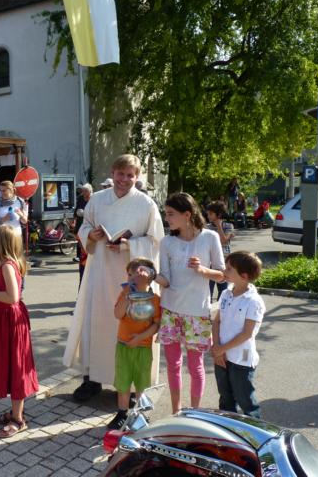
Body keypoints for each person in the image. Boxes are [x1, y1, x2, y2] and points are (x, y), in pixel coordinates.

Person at [63, 154, 164, 402]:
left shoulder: (146, 204)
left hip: (133, 277)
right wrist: (91, 235)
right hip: (100, 272)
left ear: (137, 177)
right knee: (96, 323)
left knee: (133, 324)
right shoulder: (97, 199)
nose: (124, 179)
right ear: (113, 172)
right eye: (121, 174)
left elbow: (155, 241)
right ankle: (92, 379)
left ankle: (132, 385)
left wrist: (130, 244)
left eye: (130, 175)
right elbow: (84, 226)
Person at [154, 192, 225, 414]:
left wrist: (203, 270)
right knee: (173, 365)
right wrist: (150, 274)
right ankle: (176, 412)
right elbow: (165, 280)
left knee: (196, 366)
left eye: (170, 214)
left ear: (187, 214)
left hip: (197, 312)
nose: (166, 218)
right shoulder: (166, 242)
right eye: (166, 214)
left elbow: (222, 275)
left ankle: (194, 413)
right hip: (170, 311)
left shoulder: (210, 237)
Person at [0, 224, 38, 438]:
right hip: (8, 320)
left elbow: (12, 297)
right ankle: (15, 412)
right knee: (12, 365)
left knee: (15, 367)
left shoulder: (6, 265)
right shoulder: (12, 262)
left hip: (10, 323)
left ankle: (18, 419)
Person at [107, 258, 160, 430]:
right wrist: (126, 295)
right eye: (129, 275)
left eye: (135, 275)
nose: (130, 278)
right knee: (123, 382)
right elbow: (117, 314)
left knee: (141, 383)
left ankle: (140, 414)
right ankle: (122, 414)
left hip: (143, 348)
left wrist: (140, 338)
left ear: (147, 277)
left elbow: (156, 325)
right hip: (123, 346)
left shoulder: (155, 299)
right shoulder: (125, 295)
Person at [212, 251, 265, 419]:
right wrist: (217, 348)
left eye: (229, 269)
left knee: (245, 400)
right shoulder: (226, 294)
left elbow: (247, 333)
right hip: (222, 356)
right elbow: (217, 322)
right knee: (225, 398)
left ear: (243, 276)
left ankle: (256, 430)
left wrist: (221, 349)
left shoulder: (254, 301)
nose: (224, 271)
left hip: (241, 360)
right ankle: (228, 430)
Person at [206, 201, 234, 301]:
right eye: (207, 213)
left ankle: (221, 310)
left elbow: (223, 241)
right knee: (208, 291)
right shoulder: (207, 227)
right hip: (209, 263)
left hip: (224, 264)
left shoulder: (229, 226)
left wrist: (218, 226)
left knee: (223, 292)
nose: (208, 216)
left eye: (210, 213)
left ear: (219, 214)